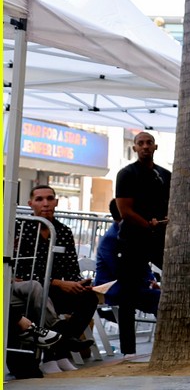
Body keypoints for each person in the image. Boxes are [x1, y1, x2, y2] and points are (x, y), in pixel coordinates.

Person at [13, 185, 98, 374]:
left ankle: (59, 351)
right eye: (39, 199)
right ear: (31, 204)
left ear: (56, 202)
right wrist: (57, 282)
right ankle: (58, 352)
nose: (45, 203)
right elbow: (20, 272)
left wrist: (79, 283)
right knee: (42, 295)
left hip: (57, 289)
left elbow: (72, 269)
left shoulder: (64, 231)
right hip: (35, 289)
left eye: (50, 198)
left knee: (89, 298)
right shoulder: (21, 229)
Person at [115, 131, 172, 357]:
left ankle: (169, 340)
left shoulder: (165, 175)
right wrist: (149, 225)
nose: (145, 146)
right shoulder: (126, 174)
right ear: (134, 148)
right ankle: (128, 351)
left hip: (159, 239)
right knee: (127, 293)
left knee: (177, 281)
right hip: (133, 240)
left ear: (155, 147)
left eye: (149, 143)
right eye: (141, 143)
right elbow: (125, 211)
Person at [94, 200, 160, 314]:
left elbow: (140, 264)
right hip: (111, 288)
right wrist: (148, 283)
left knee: (159, 297)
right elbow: (120, 271)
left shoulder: (124, 232)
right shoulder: (112, 237)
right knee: (159, 299)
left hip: (126, 285)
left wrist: (151, 281)